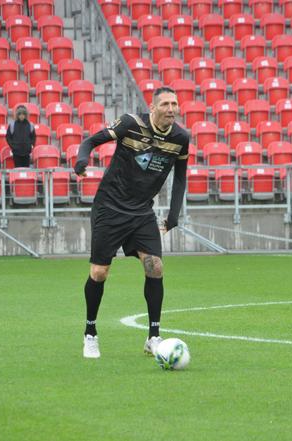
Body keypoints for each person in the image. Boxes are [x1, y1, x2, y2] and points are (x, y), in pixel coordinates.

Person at [74, 87, 189, 359]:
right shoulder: (130, 124)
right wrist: (81, 160)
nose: (171, 109)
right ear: (153, 107)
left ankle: (153, 336)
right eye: (165, 104)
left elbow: (181, 178)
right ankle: (90, 333)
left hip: (141, 213)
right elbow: (90, 142)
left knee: (155, 267)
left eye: (175, 103)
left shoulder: (181, 138)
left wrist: (174, 214)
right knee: (99, 273)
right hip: (109, 208)